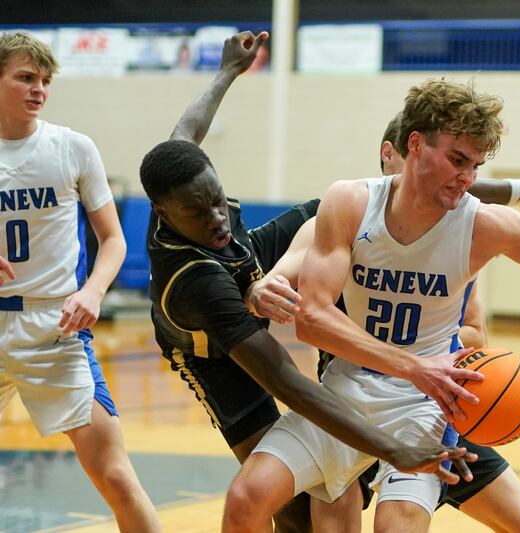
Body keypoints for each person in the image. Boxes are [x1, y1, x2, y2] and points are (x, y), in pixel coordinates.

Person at [223, 78, 520, 532]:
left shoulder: (481, 225)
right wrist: (261, 289)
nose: (467, 177)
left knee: (396, 526)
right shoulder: (349, 202)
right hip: (346, 387)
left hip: (423, 405)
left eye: (476, 166)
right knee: (246, 497)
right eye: (457, 159)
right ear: (414, 144)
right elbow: (312, 321)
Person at [141, 31, 478, 532]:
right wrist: (391, 447)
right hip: (211, 351)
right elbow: (288, 382)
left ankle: (519, 192)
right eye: (197, 212)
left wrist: (227, 72)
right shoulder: (194, 282)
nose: (216, 217)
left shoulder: (188, 181)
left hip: (248, 263)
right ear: (162, 213)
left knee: (341, 208)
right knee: (291, 506)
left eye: (217, 199)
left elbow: (186, 131)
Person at [0, 32, 161, 532]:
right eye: (25, 77)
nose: (38, 89)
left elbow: (113, 240)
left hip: (55, 325)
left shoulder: (72, 147)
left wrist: (92, 291)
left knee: (114, 475)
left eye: (45, 80)